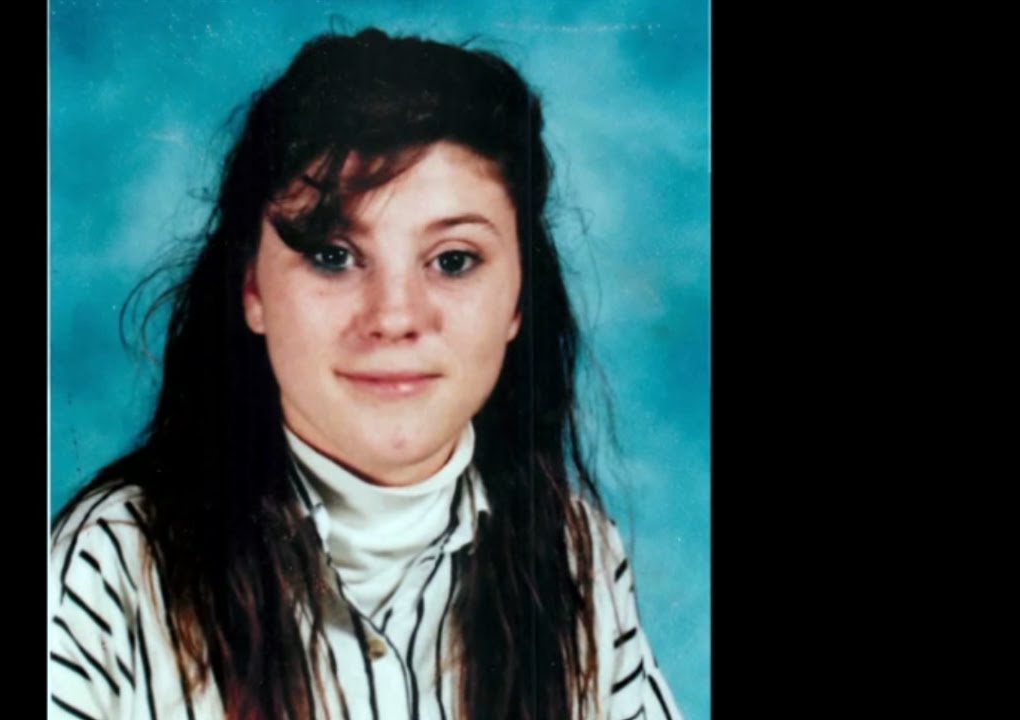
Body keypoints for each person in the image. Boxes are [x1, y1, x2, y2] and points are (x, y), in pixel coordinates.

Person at [49, 27, 682, 720]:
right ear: (252, 288)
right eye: (332, 255)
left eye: (453, 260)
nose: (394, 317)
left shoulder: (576, 556)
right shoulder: (112, 567)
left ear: (518, 300)